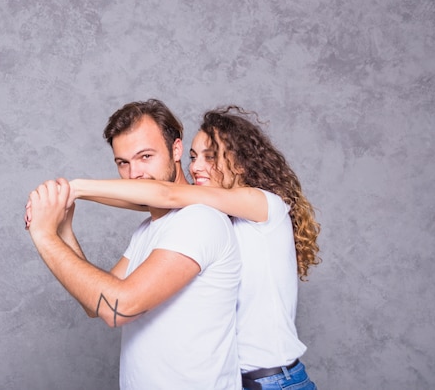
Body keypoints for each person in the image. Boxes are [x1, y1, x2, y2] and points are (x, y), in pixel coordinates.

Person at [66, 104, 321, 390]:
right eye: (193, 156)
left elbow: (165, 193)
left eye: (210, 157)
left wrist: (73, 188)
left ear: (240, 162)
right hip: (243, 379)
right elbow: (146, 200)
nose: (196, 166)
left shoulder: (263, 204)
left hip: (275, 381)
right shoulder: (215, 212)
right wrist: (67, 207)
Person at [26, 99, 243, 390]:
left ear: (176, 150)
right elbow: (96, 304)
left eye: (145, 157)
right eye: (123, 163)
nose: (135, 173)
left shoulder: (199, 219)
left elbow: (118, 308)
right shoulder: (148, 230)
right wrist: (63, 228)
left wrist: (44, 236)